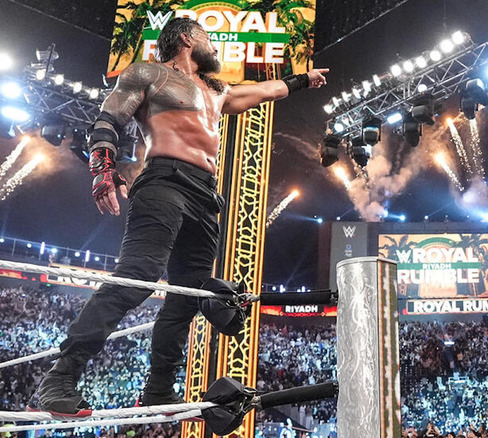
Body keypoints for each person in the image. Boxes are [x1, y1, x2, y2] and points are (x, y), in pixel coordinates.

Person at [31, 16, 328, 416]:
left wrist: (303, 79)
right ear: (187, 39)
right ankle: (60, 378)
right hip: (164, 180)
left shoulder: (216, 91)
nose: (214, 47)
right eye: (207, 37)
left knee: (189, 295)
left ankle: (158, 388)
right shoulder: (148, 74)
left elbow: (263, 91)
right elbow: (109, 119)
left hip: (205, 194)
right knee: (137, 277)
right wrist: (103, 167)